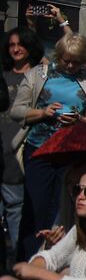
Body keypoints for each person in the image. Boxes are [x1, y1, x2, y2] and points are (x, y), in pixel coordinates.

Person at [10, 33, 86, 261]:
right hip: (39, 149)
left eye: (76, 61)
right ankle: (26, 261)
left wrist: (81, 121)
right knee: (35, 207)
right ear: (58, 56)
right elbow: (17, 111)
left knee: (64, 210)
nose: (71, 65)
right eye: (66, 60)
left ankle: (56, 261)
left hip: (73, 153)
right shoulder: (38, 74)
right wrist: (43, 113)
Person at [2, 28, 44, 260]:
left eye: (21, 44)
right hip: (2, 145)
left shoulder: (39, 76)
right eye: (11, 45)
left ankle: (18, 265)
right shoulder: (4, 75)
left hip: (21, 149)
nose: (15, 49)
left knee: (17, 210)